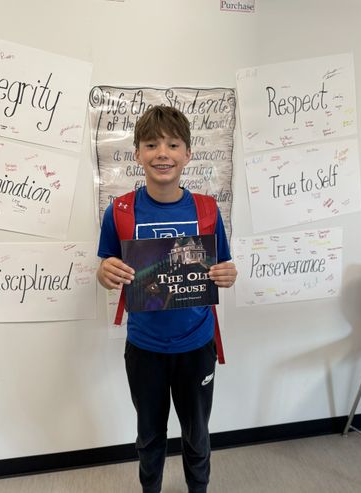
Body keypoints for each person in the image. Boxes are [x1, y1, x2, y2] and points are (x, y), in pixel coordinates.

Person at [97, 105, 237, 493]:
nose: (163, 153)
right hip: (145, 348)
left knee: (197, 435)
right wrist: (104, 272)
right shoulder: (120, 210)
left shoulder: (207, 209)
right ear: (138, 154)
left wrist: (228, 273)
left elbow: (222, 265)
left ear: (187, 153)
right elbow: (105, 265)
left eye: (173, 144)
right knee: (149, 436)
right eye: (152, 144)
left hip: (197, 344)